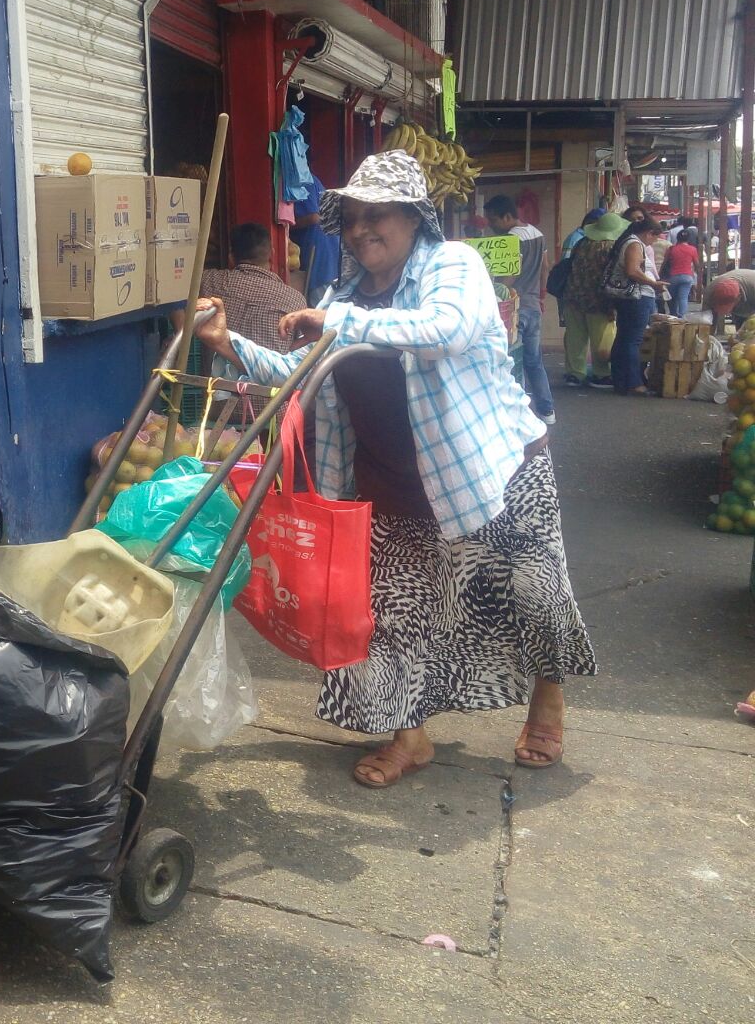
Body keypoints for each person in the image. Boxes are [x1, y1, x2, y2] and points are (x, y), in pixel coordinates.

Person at [194, 151, 594, 787]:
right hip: (390, 485)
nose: (360, 230)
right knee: (389, 615)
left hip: (496, 470)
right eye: (351, 219)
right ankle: (411, 738)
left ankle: (547, 697)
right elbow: (302, 379)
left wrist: (340, 320)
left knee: (532, 593)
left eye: (376, 214)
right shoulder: (343, 295)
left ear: (413, 219)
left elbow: (448, 328)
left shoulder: (451, 267)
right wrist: (224, 343)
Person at [484, 194, 555, 422]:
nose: (491, 225)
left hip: (514, 309)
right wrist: (541, 296)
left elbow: (510, 275)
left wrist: (494, 297)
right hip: (533, 305)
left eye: (493, 220)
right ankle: (547, 411)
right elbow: (545, 267)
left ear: (507, 216)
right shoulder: (537, 233)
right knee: (534, 362)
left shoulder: (510, 240)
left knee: (510, 362)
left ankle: (517, 415)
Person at [199, 222, 307, 354]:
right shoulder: (295, 299)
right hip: (275, 374)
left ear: (231, 257)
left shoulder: (209, 281)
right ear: (271, 255)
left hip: (214, 374)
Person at [606, 214, 670, 396]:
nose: (655, 242)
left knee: (624, 338)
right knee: (632, 340)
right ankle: (634, 382)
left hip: (631, 298)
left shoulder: (629, 241)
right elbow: (632, 270)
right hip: (637, 297)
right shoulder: (635, 244)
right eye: (655, 237)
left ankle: (621, 381)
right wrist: (653, 284)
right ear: (649, 233)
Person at [561, 211, 626, 387]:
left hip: (573, 296)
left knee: (575, 338)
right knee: (603, 339)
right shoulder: (614, 247)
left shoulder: (581, 243)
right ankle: (602, 374)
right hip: (599, 300)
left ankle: (575, 374)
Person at [289, 174, 340, 306]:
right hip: (331, 254)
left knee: (322, 312)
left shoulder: (300, 179)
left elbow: (313, 217)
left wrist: (285, 226)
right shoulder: (309, 178)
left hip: (322, 257)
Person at [663, 224, 701, 318]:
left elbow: (665, 263)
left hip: (673, 276)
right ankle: (682, 317)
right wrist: (697, 274)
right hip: (687, 276)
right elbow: (697, 264)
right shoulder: (693, 249)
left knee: (672, 298)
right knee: (683, 298)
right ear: (688, 239)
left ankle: (673, 315)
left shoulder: (671, 249)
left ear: (677, 238)